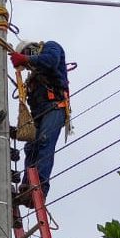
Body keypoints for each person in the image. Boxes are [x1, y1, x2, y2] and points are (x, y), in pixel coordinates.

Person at [10, 40, 70, 207]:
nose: (29, 69)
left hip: (55, 108)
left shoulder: (51, 47)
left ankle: (39, 188)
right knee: (31, 148)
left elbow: (50, 61)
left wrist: (24, 59)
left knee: (44, 141)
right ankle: (27, 187)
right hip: (39, 114)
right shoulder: (34, 78)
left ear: (32, 49)